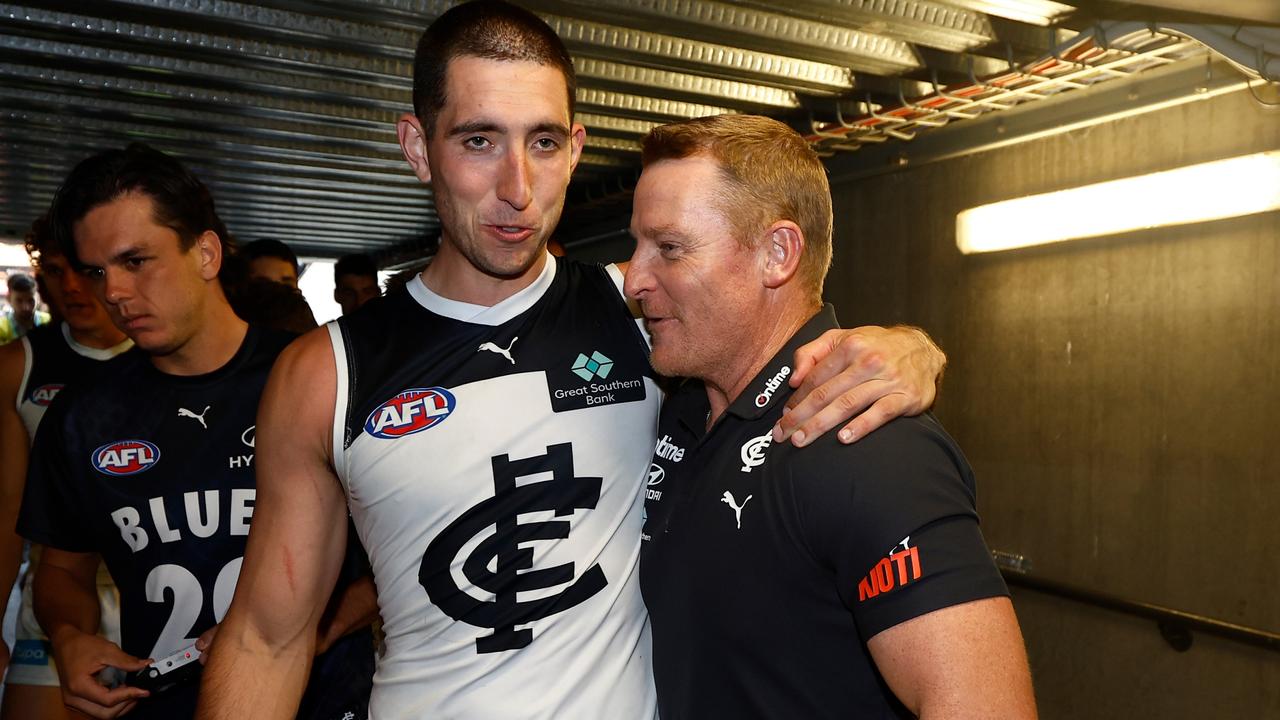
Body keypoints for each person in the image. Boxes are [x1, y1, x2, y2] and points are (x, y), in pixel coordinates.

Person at [196, 3, 945, 718]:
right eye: (478, 141)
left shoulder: (645, 313)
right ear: (419, 148)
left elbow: (778, 320)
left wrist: (911, 349)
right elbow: (268, 637)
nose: (517, 189)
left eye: (544, 142)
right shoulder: (327, 373)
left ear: (577, 148)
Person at [628, 114, 1037, 719]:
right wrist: (917, 340)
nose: (635, 278)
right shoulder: (683, 405)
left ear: (777, 253)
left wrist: (920, 348)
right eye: (636, 245)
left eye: (669, 248)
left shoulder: (864, 443)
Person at [17, 143, 375, 720]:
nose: (112, 291)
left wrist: (314, 627)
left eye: (136, 261)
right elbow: (61, 569)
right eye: (97, 270)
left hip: (328, 703)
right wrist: (67, 635)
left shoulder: (323, 378)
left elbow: (409, 553)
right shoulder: (83, 418)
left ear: (206, 252)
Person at [0, 215, 134, 720]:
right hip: (54, 607)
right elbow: (8, 509)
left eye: (87, 271)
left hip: (156, 600)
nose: (72, 287)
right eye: (55, 272)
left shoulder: (164, 356)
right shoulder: (20, 365)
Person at [0, 273, 51, 344]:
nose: (26, 307)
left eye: (31, 300)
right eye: (19, 301)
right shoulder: (1, 329)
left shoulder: (49, 322)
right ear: (9, 299)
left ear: (39, 299)